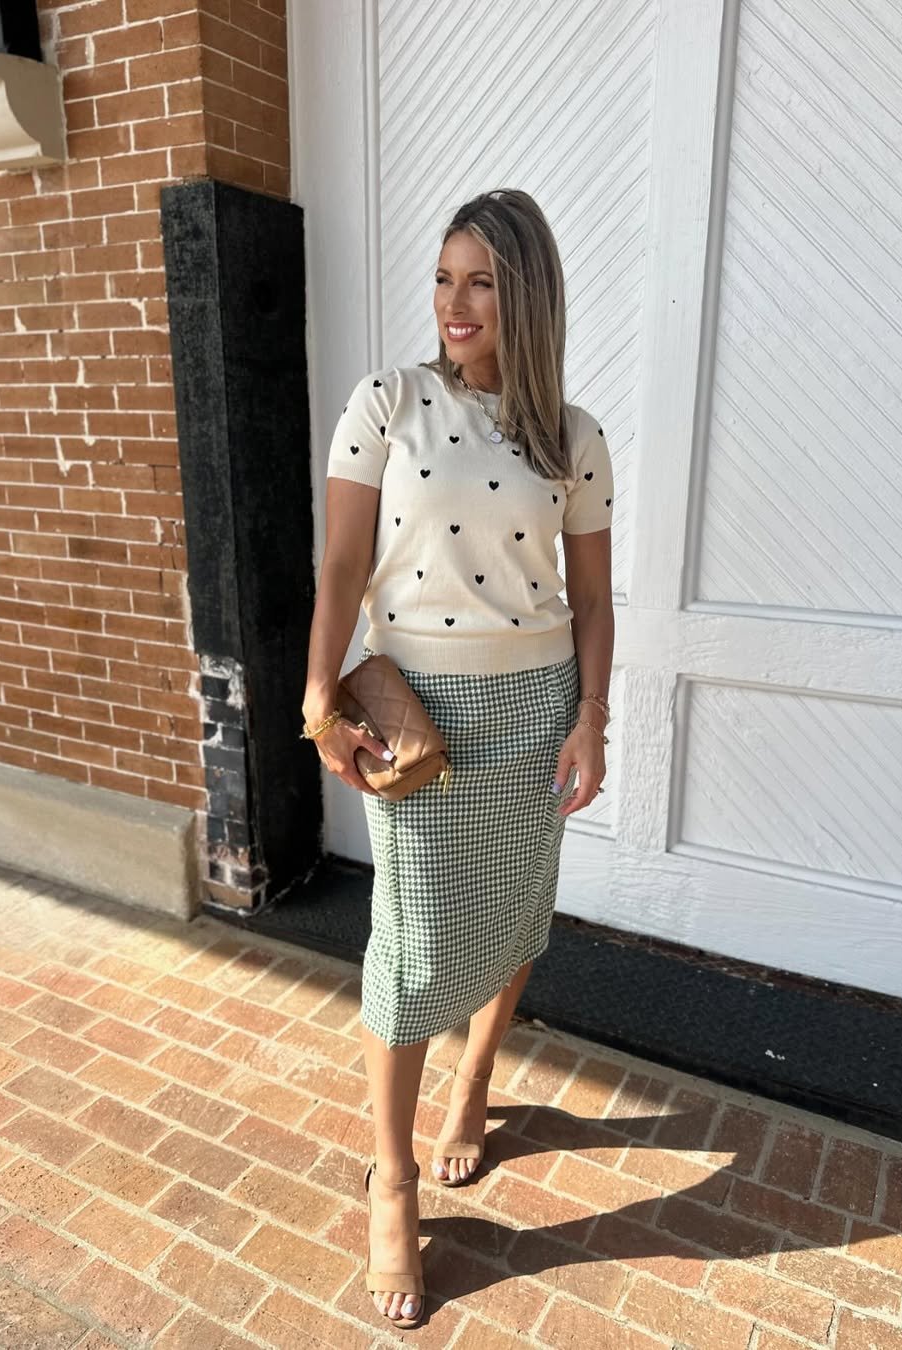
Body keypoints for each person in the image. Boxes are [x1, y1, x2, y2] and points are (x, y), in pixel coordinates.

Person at [300, 188, 615, 1329]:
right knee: (412, 941)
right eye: (444, 278)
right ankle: (391, 1180)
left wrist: (592, 718)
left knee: (518, 906)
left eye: (481, 281)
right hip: (421, 716)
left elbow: (592, 600)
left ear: (526, 295)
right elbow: (343, 569)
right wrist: (317, 694)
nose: (455, 302)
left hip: (535, 706)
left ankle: (475, 1078)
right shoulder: (386, 403)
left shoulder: (573, 435)